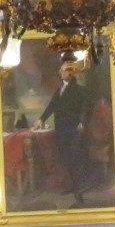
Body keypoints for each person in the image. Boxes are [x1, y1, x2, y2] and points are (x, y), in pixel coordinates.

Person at [37, 58, 98, 202]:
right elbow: (52, 106)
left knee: (75, 157)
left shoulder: (79, 90)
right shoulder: (60, 89)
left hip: (74, 128)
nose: (60, 72)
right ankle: (73, 185)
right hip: (61, 128)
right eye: (60, 70)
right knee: (65, 157)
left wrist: (82, 122)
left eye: (63, 70)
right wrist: (41, 119)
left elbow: (85, 107)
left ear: (70, 73)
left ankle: (80, 186)